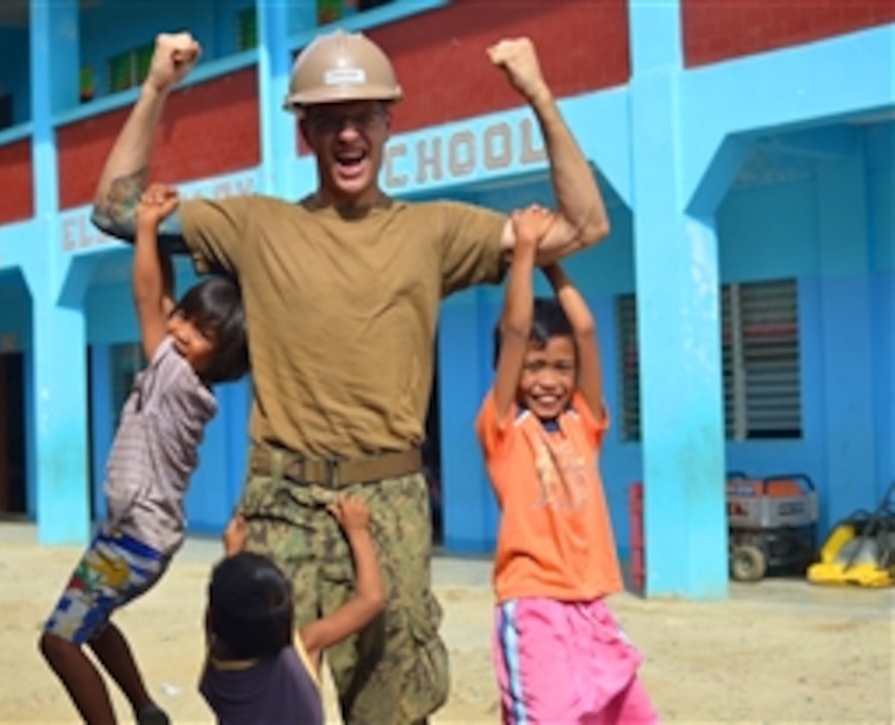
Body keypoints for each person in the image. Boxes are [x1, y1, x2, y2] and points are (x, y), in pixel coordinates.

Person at [92, 27, 610, 723]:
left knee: (393, 712)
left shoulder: (435, 232)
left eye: (362, 117)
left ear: (387, 123)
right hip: (281, 502)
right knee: (263, 709)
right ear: (304, 132)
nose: (346, 136)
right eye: (328, 121)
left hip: (389, 502)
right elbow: (117, 210)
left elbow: (584, 223)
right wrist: (156, 86)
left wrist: (538, 94)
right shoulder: (256, 227)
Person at [38, 182, 249, 724]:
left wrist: (149, 229)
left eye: (200, 333)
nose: (180, 332)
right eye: (183, 318)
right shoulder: (186, 372)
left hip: (132, 541)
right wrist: (162, 259)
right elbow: (161, 302)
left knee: (58, 643)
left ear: (217, 360)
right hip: (132, 536)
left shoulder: (175, 375)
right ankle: (146, 708)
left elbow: (146, 299)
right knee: (95, 623)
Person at [475, 205, 658, 724]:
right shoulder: (504, 429)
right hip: (534, 608)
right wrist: (526, 251)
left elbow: (585, 327)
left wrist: (553, 263)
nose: (549, 380)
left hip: (591, 607)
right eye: (534, 368)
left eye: (561, 368)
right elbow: (515, 333)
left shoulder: (584, 424)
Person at [200, 496, 384, 723]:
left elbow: (217, 614)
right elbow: (372, 599)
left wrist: (233, 555)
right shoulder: (298, 654)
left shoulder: (217, 669)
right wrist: (358, 531)